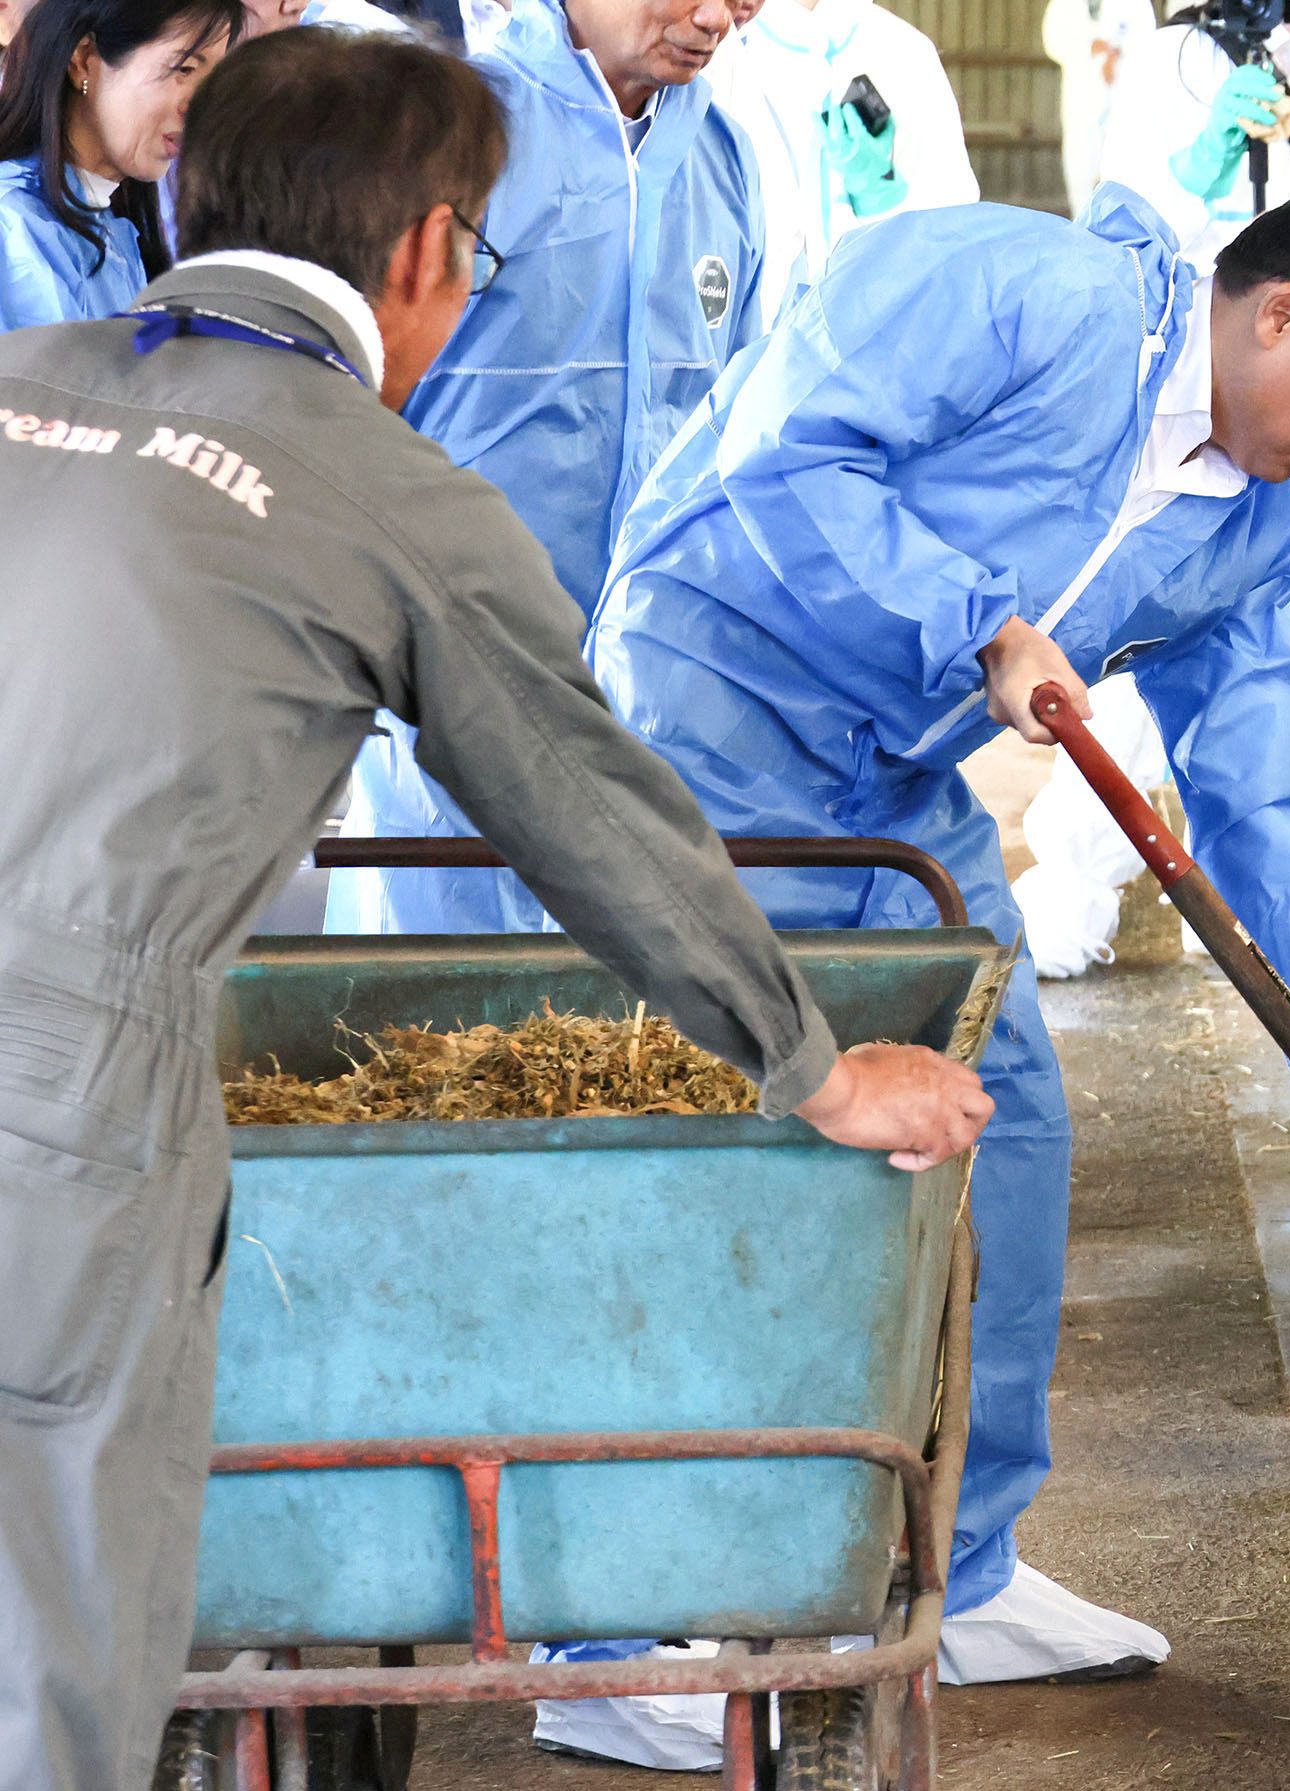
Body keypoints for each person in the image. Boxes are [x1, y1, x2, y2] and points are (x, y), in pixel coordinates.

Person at [0, 26, 992, 1788]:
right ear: (423, 257)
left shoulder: (35, 370)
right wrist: (822, 1068)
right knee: (57, 1633)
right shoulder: (393, 493)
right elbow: (594, 815)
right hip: (57, 1081)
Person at [579, 175, 1290, 1683]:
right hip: (713, 707)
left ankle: (959, 1564)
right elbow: (788, 452)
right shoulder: (1029, 291)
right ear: (1286, 316)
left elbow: (1271, 797)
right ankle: (621, 1609)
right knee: (728, 1126)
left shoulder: (1255, 536)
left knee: (1020, 1120)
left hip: (903, 778)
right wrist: (977, 623)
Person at [324, 0, 766, 932]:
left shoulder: (724, 160)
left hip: (649, 685)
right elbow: (348, 393)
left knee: (609, 1011)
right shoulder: (455, 131)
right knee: (437, 995)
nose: (717, 16)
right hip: (452, 659)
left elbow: (741, 426)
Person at [1014, 0, 1290, 975]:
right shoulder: (1171, 64)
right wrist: (1201, 160)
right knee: (1137, 651)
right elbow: (1119, 228)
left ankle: (1253, 896)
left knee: (1281, 658)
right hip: (1189, 409)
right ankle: (1071, 888)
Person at [704, 0, 978, 323]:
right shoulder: (719, 44)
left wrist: (882, 200)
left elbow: (952, 229)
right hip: (740, 335)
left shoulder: (906, 53)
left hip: (874, 338)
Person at [0, 0, 238, 329]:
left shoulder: (110, 225)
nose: (204, 106)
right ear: (84, 60)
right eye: (184, 69)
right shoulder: (13, 230)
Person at [1041, 0, 1153, 219]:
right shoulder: (1063, 4)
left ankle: (1122, 233)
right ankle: (1081, 226)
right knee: (1080, 165)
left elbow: (1147, 40)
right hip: (1082, 94)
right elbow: (1053, 39)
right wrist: (1090, 47)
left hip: (1123, 91)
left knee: (1125, 162)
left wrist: (1116, 55)